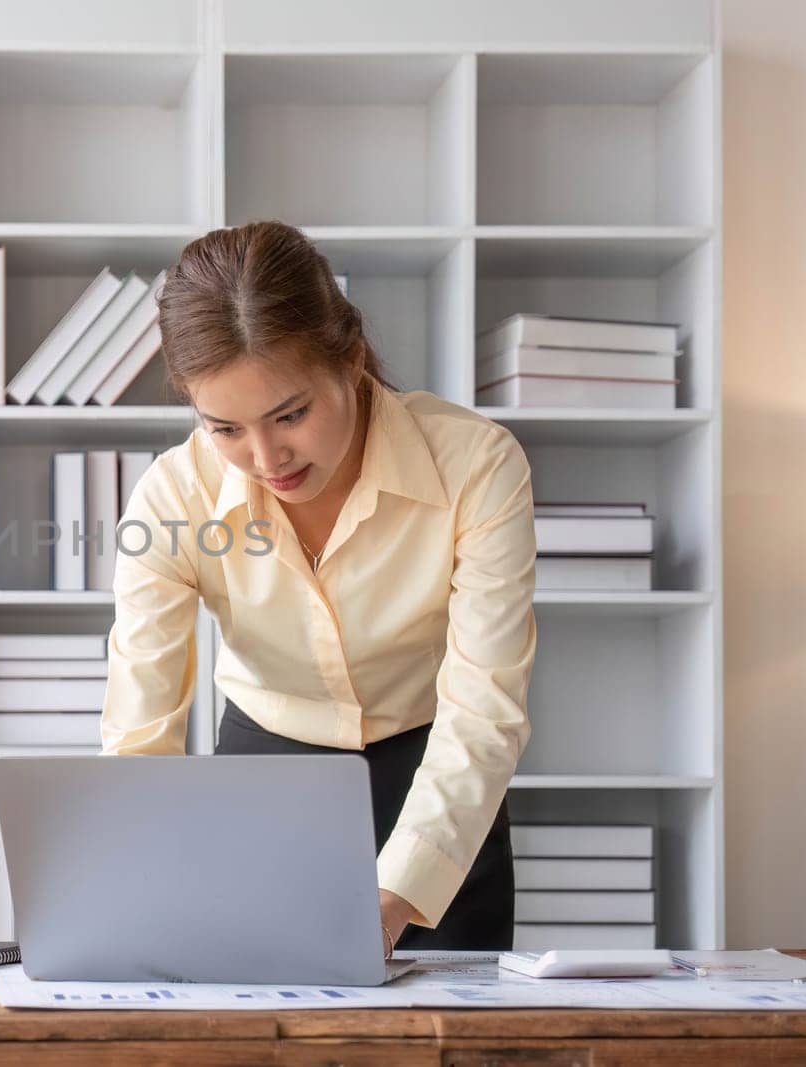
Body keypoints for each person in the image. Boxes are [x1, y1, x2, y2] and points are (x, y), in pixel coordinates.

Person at [100, 220, 537, 955]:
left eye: (291, 414)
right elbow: (140, 735)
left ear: (352, 356)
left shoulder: (476, 466)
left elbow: (485, 707)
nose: (266, 457)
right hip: (264, 778)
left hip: (436, 775)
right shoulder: (173, 497)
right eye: (225, 428)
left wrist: (398, 894)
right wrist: (144, 885)